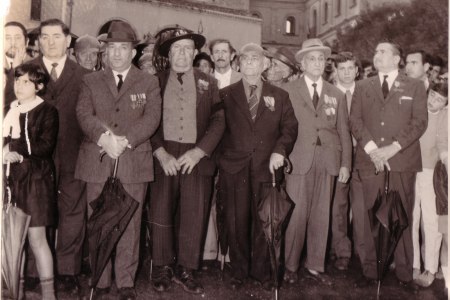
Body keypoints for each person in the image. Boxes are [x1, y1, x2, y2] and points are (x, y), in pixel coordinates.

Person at [75, 20, 162, 300]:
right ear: (105, 51)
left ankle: (125, 283)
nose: (116, 54)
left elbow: (151, 119)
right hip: (98, 162)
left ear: (133, 53)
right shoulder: (90, 80)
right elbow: (84, 114)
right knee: (99, 222)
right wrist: (104, 138)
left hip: (133, 162)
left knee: (130, 225)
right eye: (111, 48)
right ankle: (99, 281)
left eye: (122, 48)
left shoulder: (148, 82)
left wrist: (124, 141)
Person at [149, 25, 225, 295]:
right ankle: (162, 266)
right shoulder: (154, 81)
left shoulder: (209, 82)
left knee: (194, 214)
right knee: (160, 211)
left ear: (195, 53)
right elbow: (147, 123)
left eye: (187, 49)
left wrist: (200, 151)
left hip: (196, 156)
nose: (181, 54)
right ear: (168, 55)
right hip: (164, 156)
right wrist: (160, 152)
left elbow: (218, 121)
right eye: (176, 49)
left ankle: (186, 268)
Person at [17, 18, 91, 295]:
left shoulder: (84, 75)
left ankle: (69, 271)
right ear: (37, 42)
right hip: (34, 160)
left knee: (73, 213)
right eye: (44, 37)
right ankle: (35, 273)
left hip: (73, 155)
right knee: (37, 214)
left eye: (56, 37)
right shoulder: (25, 72)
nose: (50, 42)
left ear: (68, 40)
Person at [218, 42, 298, 290]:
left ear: (266, 64)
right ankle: (239, 271)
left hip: (266, 168)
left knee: (265, 222)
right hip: (234, 169)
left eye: (256, 58)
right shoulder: (225, 94)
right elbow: (216, 131)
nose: (250, 62)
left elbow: (289, 129)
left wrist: (279, 151)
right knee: (236, 221)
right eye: (245, 58)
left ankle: (262, 272)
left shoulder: (280, 95)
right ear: (238, 64)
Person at [350, 41, 427, 292]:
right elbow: (355, 120)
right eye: (375, 52)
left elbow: (419, 122)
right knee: (370, 215)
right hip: (370, 160)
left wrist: (393, 148)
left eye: (383, 52)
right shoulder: (362, 86)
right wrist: (373, 149)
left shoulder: (414, 86)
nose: (376, 55)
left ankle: (405, 274)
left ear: (397, 58)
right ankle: (371, 271)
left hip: (401, 160)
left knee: (401, 216)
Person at [282, 38, 352, 285]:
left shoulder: (336, 94)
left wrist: (345, 164)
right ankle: (290, 265)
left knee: (322, 215)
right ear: (302, 64)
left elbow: (344, 131)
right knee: (297, 215)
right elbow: (283, 128)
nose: (317, 62)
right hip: (299, 158)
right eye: (312, 58)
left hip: (327, 160)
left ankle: (314, 264)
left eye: (321, 58)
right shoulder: (289, 90)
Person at [3, 63, 58, 300]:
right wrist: (5, 151)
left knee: (36, 238)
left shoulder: (47, 111)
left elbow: (45, 147)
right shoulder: (9, 109)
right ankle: (17, 291)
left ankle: (49, 295)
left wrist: (18, 150)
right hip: (12, 180)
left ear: (39, 86)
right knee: (15, 238)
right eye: (17, 81)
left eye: (26, 82)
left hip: (36, 180)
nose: (20, 86)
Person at [202, 38, 242, 264]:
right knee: (207, 196)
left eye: (224, 52)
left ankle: (227, 251)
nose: (220, 56)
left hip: (233, 149)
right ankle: (209, 250)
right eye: (215, 52)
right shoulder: (204, 81)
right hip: (209, 147)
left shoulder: (241, 79)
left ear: (232, 55)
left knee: (231, 199)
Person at [330, 51, 364, 271]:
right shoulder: (330, 93)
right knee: (338, 205)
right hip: (339, 155)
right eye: (342, 68)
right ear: (336, 71)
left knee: (361, 206)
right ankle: (341, 251)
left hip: (362, 156)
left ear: (357, 71)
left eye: (350, 68)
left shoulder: (365, 92)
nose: (346, 73)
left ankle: (363, 252)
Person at [412, 82, 447, 287]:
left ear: (446, 104)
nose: (433, 101)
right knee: (412, 218)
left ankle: (431, 268)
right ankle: (414, 263)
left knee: (431, 221)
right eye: (432, 96)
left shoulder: (444, 117)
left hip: (431, 173)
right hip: (411, 170)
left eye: (440, 99)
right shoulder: (417, 110)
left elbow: (443, 143)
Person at [4, 21, 33, 111]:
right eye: (7, 38)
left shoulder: (36, 66)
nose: (13, 43)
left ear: (27, 42)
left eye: (17, 38)